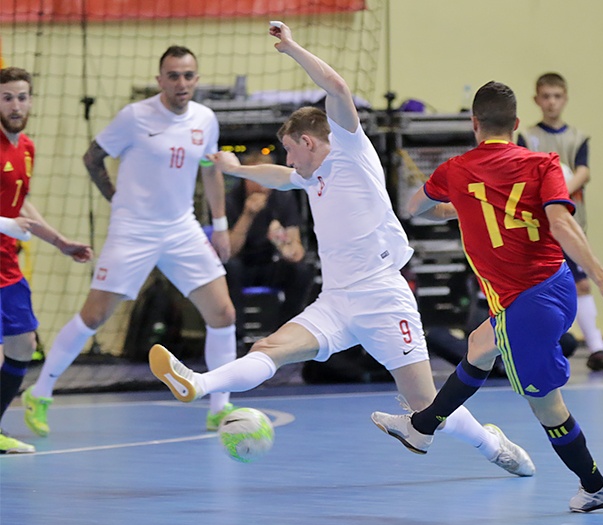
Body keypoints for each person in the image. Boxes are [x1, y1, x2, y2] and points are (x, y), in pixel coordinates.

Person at [148, 22, 534, 476]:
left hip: (384, 297)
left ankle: (493, 446)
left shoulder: (350, 149)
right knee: (269, 348)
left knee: (425, 403)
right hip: (336, 301)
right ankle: (199, 383)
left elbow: (337, 86)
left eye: (291, 150)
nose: (290, 160)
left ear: (309, 141)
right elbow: (279, 175)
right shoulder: (312, 176)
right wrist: (236, 171)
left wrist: (291, 48)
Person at [371, 81, 603, 512]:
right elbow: (562, 223)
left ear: (473, 124)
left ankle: (596, 484)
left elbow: (412, 206)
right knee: (479, 345)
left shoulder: (456, 170)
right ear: (516, 125)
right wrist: (598, 279)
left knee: (546, 405)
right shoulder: (544, 162)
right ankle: (421, 428)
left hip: (526, 304)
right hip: (556, 287)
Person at [23, 46, 239, 434]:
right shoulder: (135, 117)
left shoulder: (206, 119)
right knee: (93, 316)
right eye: (173, 76)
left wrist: (220, 224)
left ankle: (219, 408)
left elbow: (210, 170)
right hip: (133, 229)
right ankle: (40, 393)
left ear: (197, 79)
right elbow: (92, 158)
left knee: (223, 314)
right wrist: (116, 199)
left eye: (188, 75)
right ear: (160, 81)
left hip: (181, 227)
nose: (181, 83)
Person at [0, 67, 93, 454]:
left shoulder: (27, 148)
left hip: (6, 265)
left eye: (22, 97)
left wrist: (59, 242)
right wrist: (7, 223)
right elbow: (12, 217)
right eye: (7, 97)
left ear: (32, 101)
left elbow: (23, 207)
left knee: (23, 345)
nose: (16, 105)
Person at [517, 73, 603, 371]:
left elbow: (583, 172)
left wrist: (559, 192)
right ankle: (537, 345)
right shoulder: (527, 137)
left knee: (581, 284)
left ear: (565, 99)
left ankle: (597, 348)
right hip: (539, 226)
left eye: (556, 96)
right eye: (545, 96)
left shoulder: (578, 138)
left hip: (569, 224)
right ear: (536, 100)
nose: (551, 102)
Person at [224, 150, 315, 346]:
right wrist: (247, 216)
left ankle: (285, 330)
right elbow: (229, 251)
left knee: (302, 269)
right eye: (253, 179)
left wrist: (282, 241)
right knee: (230, 267)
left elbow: (296, 251)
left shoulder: (282, 198)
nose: (260, 185)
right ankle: (236, 336)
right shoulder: (231, 200)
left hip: (270, 262)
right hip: (242, 264)